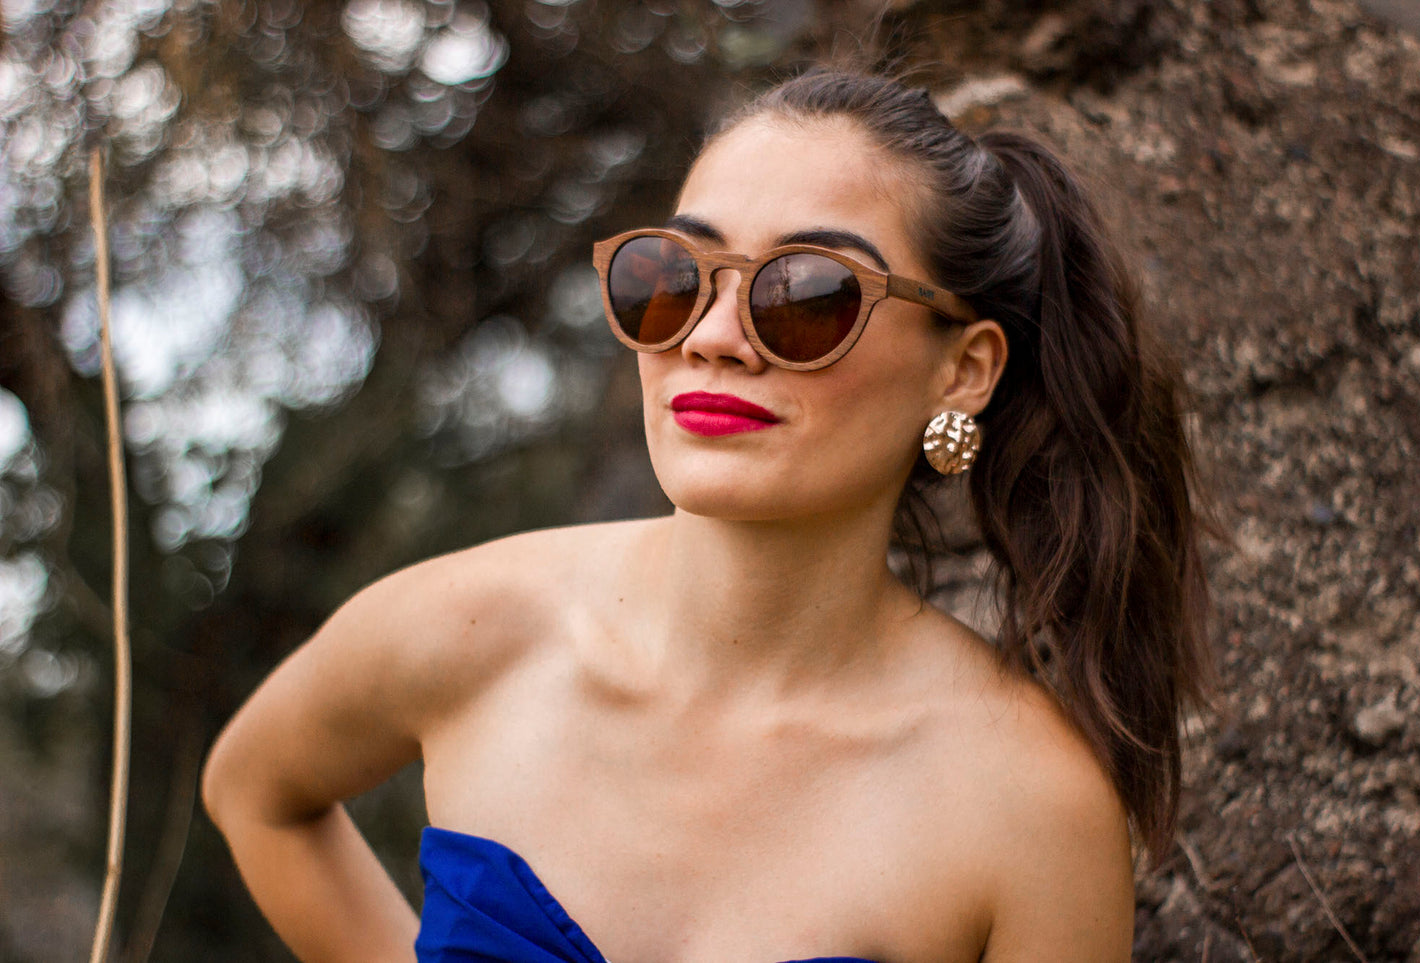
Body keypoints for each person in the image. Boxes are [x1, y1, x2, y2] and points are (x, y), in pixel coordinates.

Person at [202, 68, 1212, 963]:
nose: (715, 337)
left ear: (962, 369)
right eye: (670, 278)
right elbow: (254, 793)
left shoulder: (1026, 807)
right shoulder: (474, 628)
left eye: (808, 293)